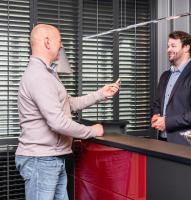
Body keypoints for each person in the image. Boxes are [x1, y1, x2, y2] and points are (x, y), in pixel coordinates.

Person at [15, 24, 120, 200]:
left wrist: (100, 94)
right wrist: (92, 131)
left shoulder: (48, 74)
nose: (62, 45)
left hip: (52, 158)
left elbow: (67, 103)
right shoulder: (39, 76)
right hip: (41, 161)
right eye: (59, 40)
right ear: (47, 42)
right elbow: (57, 122)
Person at [151, 31, 191, 145]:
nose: (169, 50)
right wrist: (156, 115)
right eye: (168, 46)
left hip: (184, 144)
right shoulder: (165, 76)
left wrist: (167, 122)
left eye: (173, 46)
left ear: (186, 48)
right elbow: (157, 104)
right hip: (162, 140)